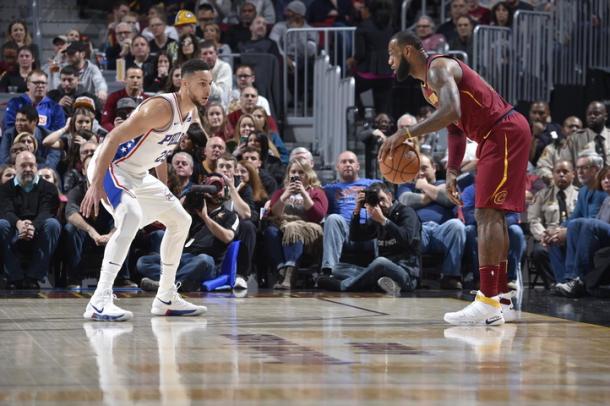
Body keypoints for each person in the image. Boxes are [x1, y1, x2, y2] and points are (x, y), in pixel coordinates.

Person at [380, 31, 532, 325]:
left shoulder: (438, 67)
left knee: (486, 214)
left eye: (392, 54)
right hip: (495, 135)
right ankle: (500, 297)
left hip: (503, 131)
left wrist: (406, 132)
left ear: (408, 51)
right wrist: (451, 170)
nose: (389, 61)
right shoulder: (427, 86)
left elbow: (451, 112)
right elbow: (455, 127)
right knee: (493, 216)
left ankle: (487, 301)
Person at [79, 59, 213, 321]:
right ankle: (99, 299)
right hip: (112, 166)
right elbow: (112, 137)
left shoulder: (191, 112)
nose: (208, 89)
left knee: (180, 219)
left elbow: (161, 151)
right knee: (130, 216)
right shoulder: (160, 108)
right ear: (184, 84)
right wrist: (95, 183)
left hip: (138, 174)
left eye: (210, 84)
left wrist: (163, 190)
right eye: (202, 84)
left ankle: (165, 297)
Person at [138, 173, 240, 292]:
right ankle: (175, 283)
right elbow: (176, 231)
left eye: (218, 187)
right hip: (185, 258)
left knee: (203, 259)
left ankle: (169, 285)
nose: (215, 191)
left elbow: (228, 237)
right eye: (211, 186)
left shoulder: (230, 216)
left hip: (207, 263)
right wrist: (184, 202)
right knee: (144, 262)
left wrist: (205, 217)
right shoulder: (193, 212)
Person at [317, 182, 421, 294]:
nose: (380, 204)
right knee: (336, 269)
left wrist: (383, 221)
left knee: (380, 262)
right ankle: (382, 284)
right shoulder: (377, 219)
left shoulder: (406, 212)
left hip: (406, 275)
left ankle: (344, 286)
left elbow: (407, 239)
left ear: (390, 196)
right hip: (380, 272)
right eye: (376, 201)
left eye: (382, 198)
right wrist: (357, 211)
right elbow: (355, 237)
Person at [397, 153, 467, 289]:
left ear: (434, 167)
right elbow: (405, 201)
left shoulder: (447, 183)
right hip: (419, 230)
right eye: (416, 169)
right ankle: (412, 277)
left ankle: (450, 277)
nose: (420, 173)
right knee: (409, 227)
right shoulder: (406, 186)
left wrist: (423, 186)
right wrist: (435, 194)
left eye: (424, 168)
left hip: (442, 231)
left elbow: (449, 199)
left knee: (457, 225)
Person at [264, 157, 328, 289]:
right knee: (270, 231)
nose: (296, 175)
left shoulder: (317, 192)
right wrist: (285, 195)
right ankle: (281, 271)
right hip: (283, 226)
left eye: (301, 172)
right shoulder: (281, 192)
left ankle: (290, 276)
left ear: (308, 175)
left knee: (293, 229)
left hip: (307, 230)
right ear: (288, 174)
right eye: (293, 172)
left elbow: (318, 216)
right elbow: (272, 214)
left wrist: (304, 194)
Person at [0, 151, 61, 289]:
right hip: (13, 229)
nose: (28, 169)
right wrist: (19, 224)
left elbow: (47, 211)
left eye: (31, 165)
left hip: (39, 230)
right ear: (15, 168)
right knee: (1, 224)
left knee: (53, 224)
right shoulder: (4, 188)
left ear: (36, 167)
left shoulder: (49, 187)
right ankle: (15, 277)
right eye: (23, 165)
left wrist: (32, 226)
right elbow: (6, 211)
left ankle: (34, 277)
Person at [546, 151, 607, 284]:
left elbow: (594, 222)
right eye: (578, 168)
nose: (579, 172)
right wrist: (558, 230)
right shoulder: (584, 190)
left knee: (578, 226)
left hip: (597, 234)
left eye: (584, 168)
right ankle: (563, 282)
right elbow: (575, 216)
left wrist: (567, 232)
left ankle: (574, 279)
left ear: (596, 169)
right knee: (553, 240)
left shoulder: (603, 189)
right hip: (583, 232)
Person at [554, 167, 610, 297]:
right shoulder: (607, 200)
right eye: (603, 179)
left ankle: (578, 277)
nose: (606, 181)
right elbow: (599, 222)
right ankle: (570, 278)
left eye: (609, 178)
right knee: (575, 224)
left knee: (586, 223)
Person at [321, 151, 380, 274]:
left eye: (351, 161)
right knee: (332, 219)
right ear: (337, 167)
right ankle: (329, 270)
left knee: (377, 218)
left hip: (369, 230)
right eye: (343, 162)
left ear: (358, 166)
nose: (347, 164)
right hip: (345, 231)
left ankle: (380, 270)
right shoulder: (328, 189)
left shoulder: (372, 184)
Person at [528, 160, 579, 288]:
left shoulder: (580, 195)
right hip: (548, 239)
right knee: (539, 252)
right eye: (558, 172)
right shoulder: (541, 195)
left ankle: (573, 283)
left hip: (572, 238)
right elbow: (534, 220)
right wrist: (544, 236)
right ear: (553, 174)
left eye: (565, 172)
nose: (561, 175)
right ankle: (554, 285)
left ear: (573, 174)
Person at [347, 0, 394, 116]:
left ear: (368, 11)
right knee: (383, 109)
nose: (360, 11)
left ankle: (363, 123)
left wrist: (350, 61)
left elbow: (360, 54)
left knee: (358, 101)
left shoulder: (363, 27)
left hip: (367, 75)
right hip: (388, 74)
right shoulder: (391, 26)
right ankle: (385, 128)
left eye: (362, 8)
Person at [0, 105, 61, 169]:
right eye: (17, 120)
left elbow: (51, 164)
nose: (18, 124)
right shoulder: (9, 134)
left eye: (23, 120)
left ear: (34, 121)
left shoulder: (49, 136)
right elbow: (4, 162)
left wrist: (29, 167)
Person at [535, 116, 584, 185]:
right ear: (563, 130)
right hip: (558, 187)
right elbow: (541, 168)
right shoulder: (553, 148)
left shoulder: (589, 148)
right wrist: (553, 179)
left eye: (577, 127)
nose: (574, 129)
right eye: (570, 127)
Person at [101, 66, 148, 131]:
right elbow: (105, 122)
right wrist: (115, 129)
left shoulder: (148, 100)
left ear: (142, 80)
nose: (135, 80)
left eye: (138, 77)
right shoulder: (113, 97)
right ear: (125, 79)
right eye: (132, 77)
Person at [200, 41, 233, 108]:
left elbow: (220, 96)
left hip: (221, 109)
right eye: (205, 54)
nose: (208, 56)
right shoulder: (196, 70)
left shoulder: (224, 67)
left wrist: (205, 74)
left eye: (211, 53)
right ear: (199, 56)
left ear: (216, 54)